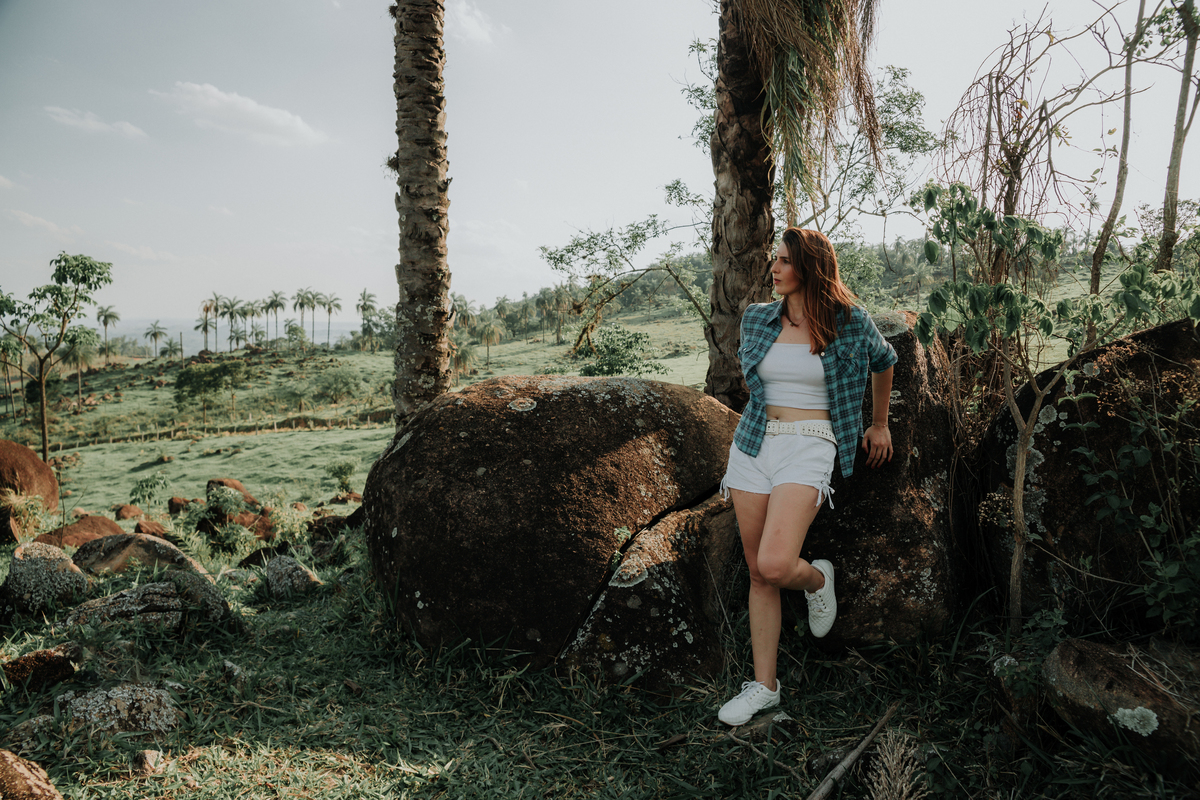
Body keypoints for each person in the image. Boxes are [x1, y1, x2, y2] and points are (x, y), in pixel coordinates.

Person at [717, 227, 897, 727]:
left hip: (811, 443)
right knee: (758, 573)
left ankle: (818, 579)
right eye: (774, 259)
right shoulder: (758, 318)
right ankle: (765, 687)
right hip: (753, 443)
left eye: (784, 261)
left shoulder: (850, 322)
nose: (773, 268)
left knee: (776, 564)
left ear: (810, 268)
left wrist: (879, 423)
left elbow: (885, 361)